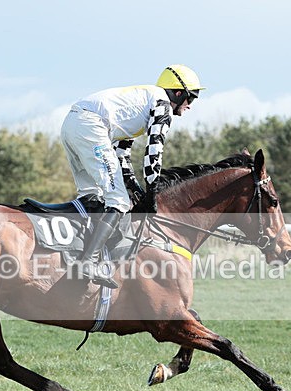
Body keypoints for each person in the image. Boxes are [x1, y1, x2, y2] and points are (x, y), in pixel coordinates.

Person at [60, 64, 204, 289]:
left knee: (92, 196)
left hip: (73, 124)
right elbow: (154, 151)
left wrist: (137, 188)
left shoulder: (145, 101)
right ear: (179, 93)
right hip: (91, 126)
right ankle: (88, 261)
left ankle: (74, 253)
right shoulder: (162, 106)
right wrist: (152, 191)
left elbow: (121, 154)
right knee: (118, 201)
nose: (189, 106)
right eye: (191, 99)